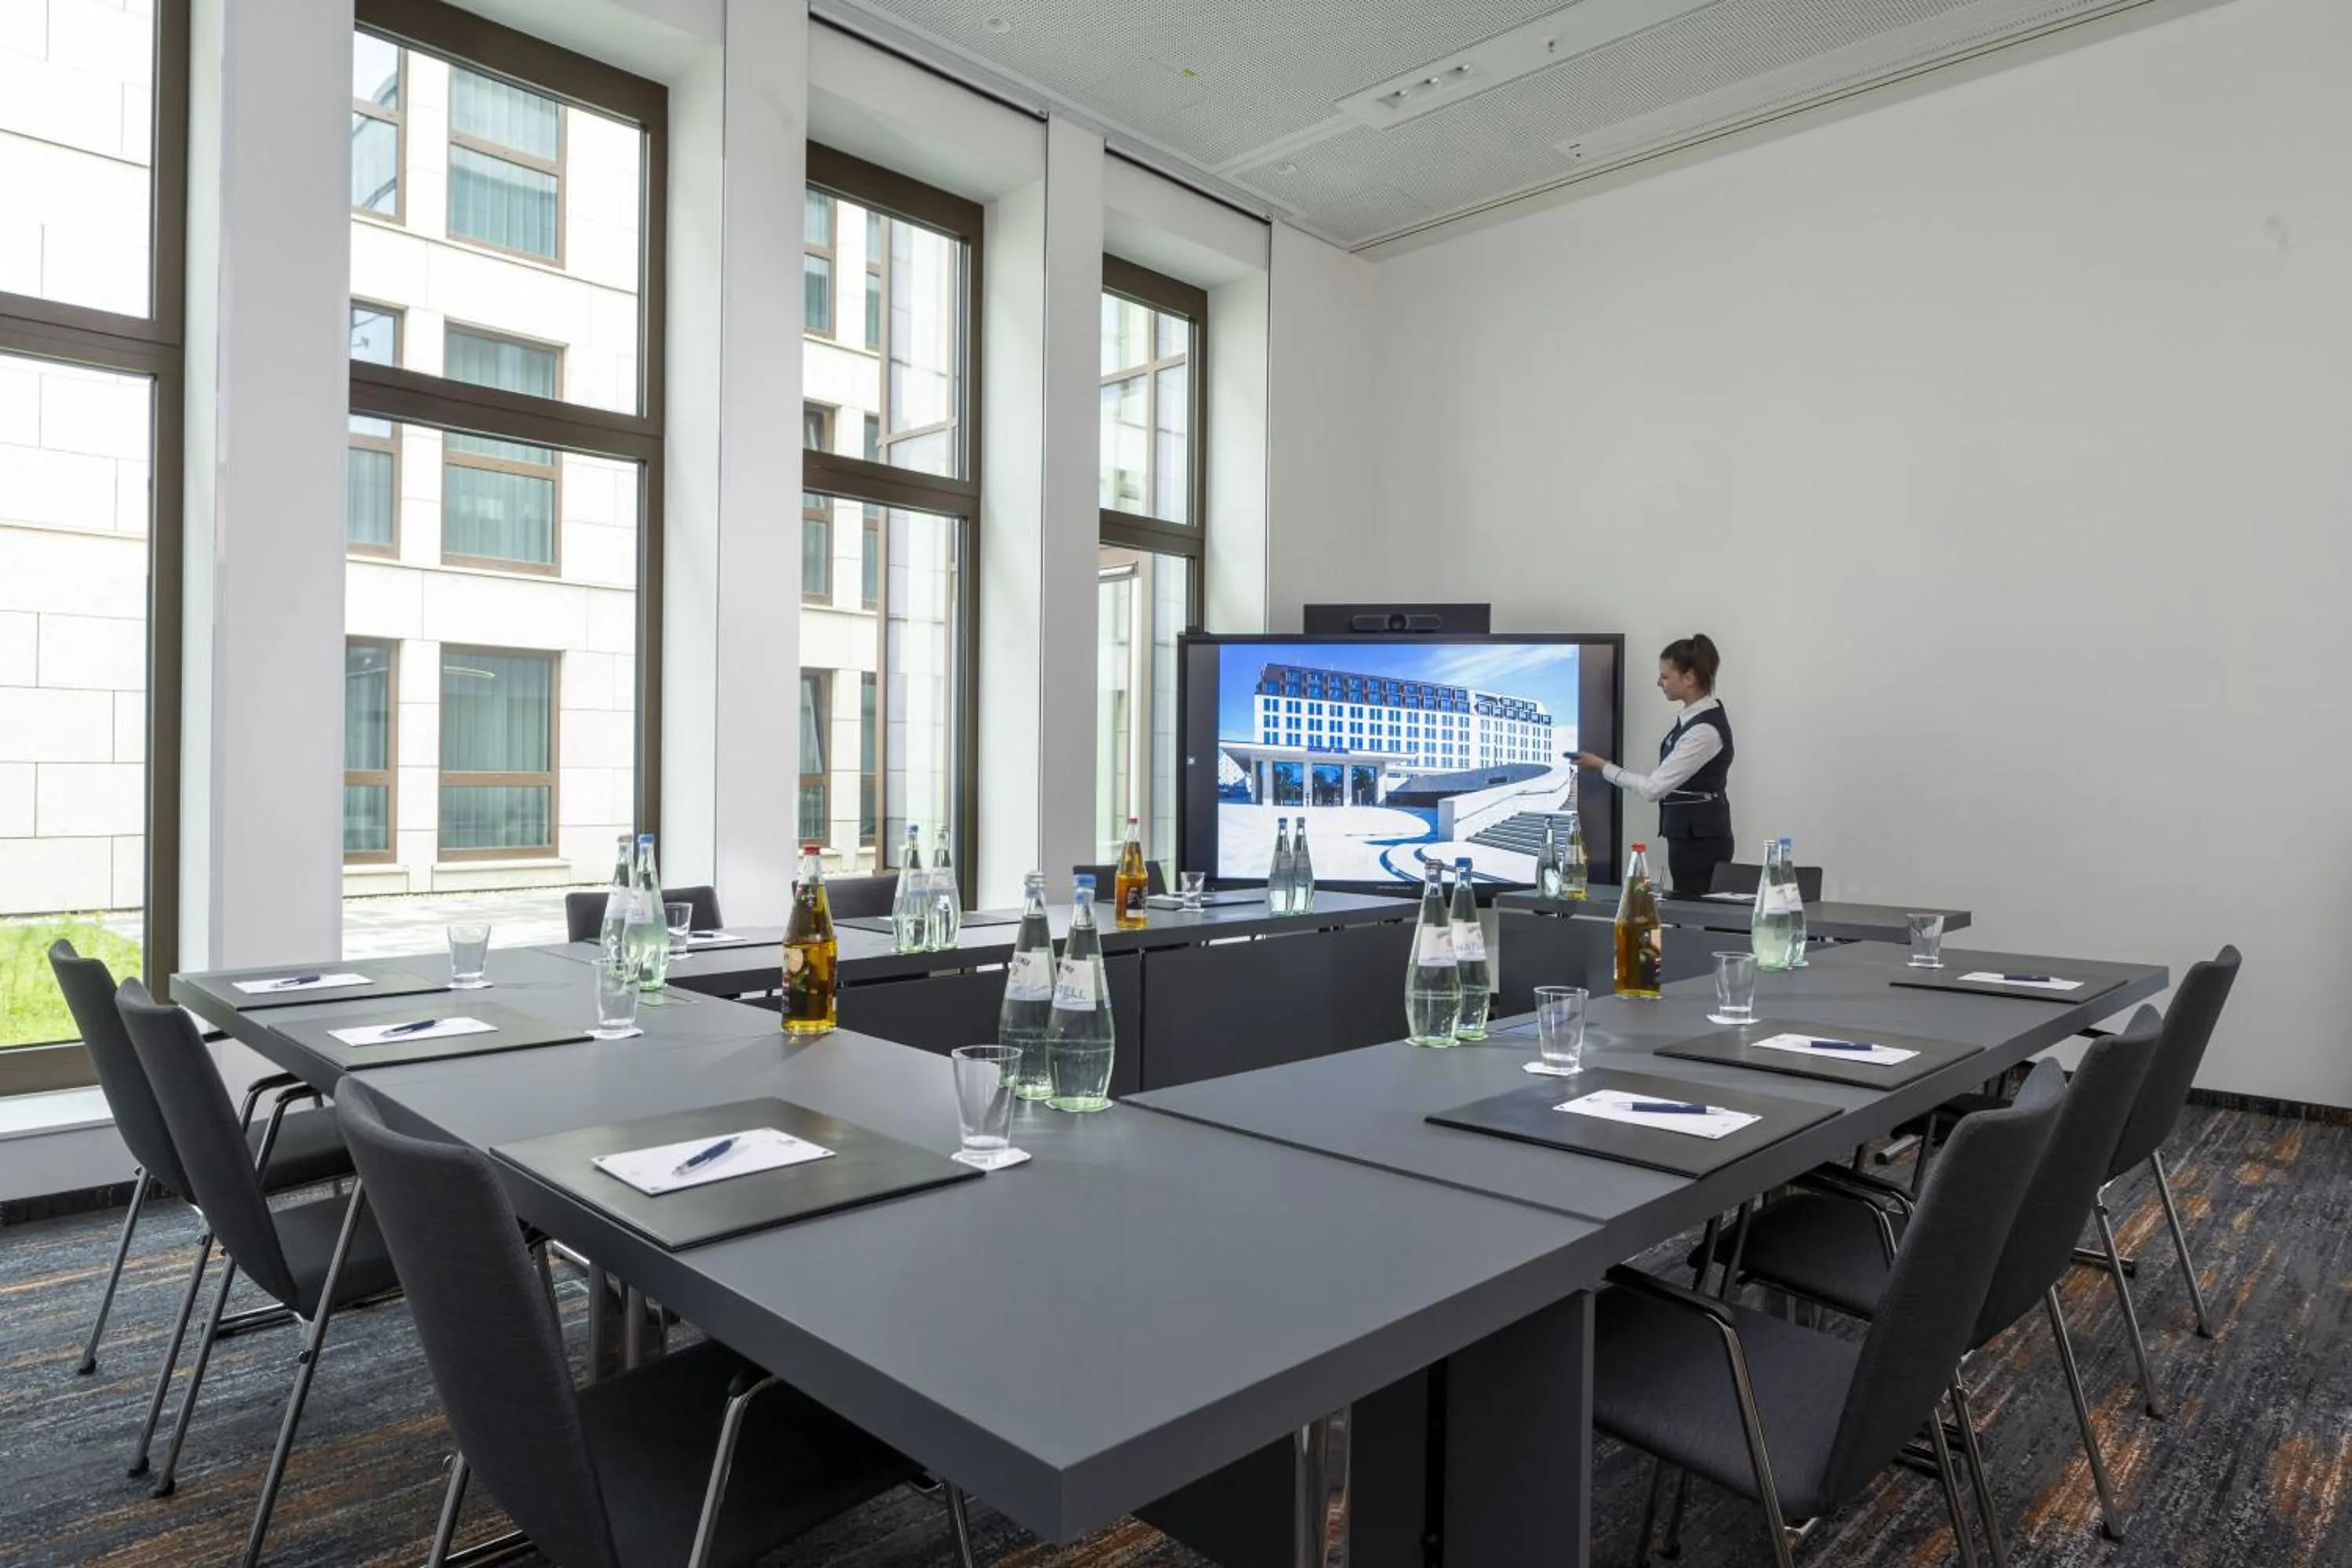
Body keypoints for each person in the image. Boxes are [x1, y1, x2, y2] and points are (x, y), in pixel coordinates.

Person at [1575, 634, 1733, 895]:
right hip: (1690, 840)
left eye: (1666, 676)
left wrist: (1603, 767)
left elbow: (1653, 788)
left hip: (1701, 846)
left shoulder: (1704, 730)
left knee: (1694, 918)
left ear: (1689, 678)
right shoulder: (1693, 720)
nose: (1659, 682)